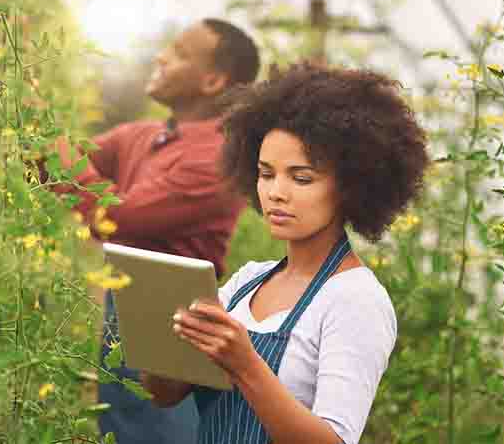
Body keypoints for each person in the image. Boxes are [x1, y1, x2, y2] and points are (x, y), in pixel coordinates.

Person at [142, 63, 430, 444]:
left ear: (352, 185)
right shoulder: (248, 282)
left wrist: (246, 365)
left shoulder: (355, 300)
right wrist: (167, 343)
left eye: (301, 178)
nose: (277, 192)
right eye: (266, 173)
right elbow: (163, 395)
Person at [53, 19, 261, 444]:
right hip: (125, 303)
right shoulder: (147, 135)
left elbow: (118, 218)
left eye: (180, 52)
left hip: (174, 317)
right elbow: (72, 164)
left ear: (213, 80)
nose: (161, 57)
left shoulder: (217, 159)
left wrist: (47, 139)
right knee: (121, 426)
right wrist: (25, 130)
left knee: (159, 431)